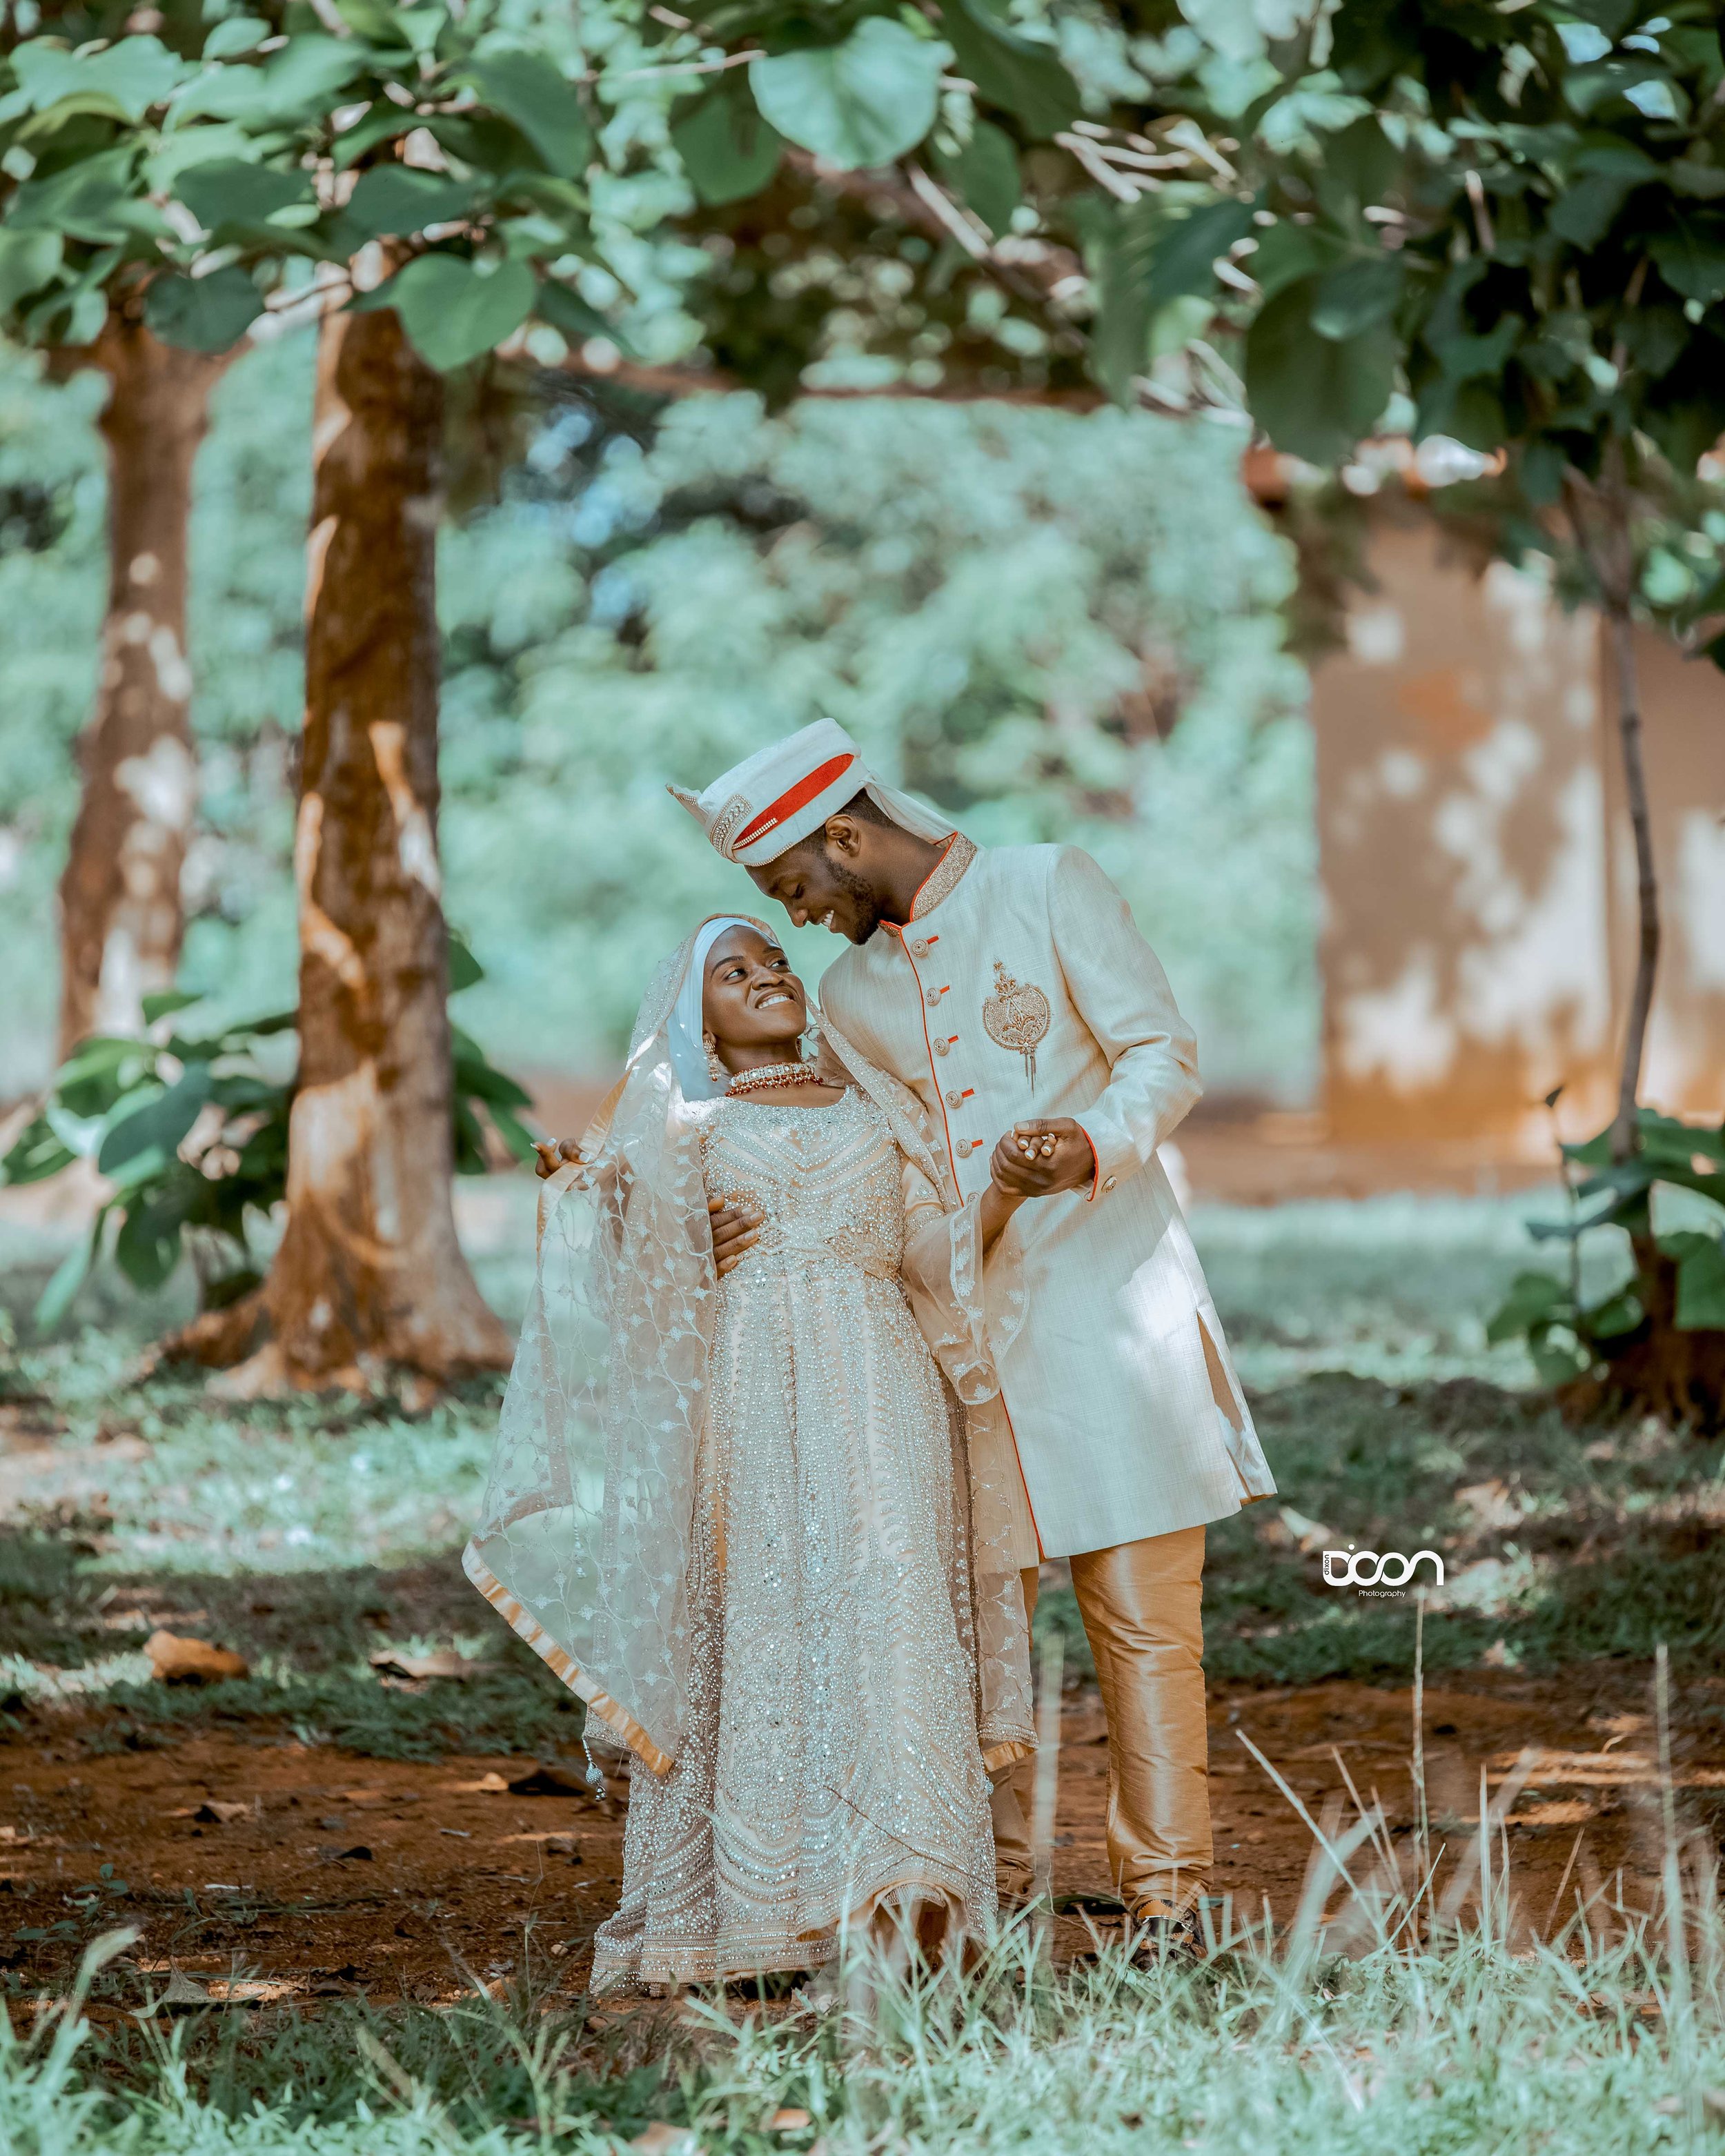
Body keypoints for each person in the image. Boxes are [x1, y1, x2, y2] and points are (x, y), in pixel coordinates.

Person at [668, 720, 1277, 1941]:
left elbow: (1163, 1051)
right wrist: (732, 1209)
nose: (797, 922)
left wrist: (1092, 1142)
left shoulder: (1045, 883)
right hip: (949, 1341)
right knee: (960, 1621)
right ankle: (982, 1892)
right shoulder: (847, 995)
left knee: (1144, 1617)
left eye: (796, 888)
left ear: (845, 835)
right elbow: (852, 1148)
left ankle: (1167, 1899)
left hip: (1113, 1310)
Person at [466, 915, 1034, 1992]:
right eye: (735, 971)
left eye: (776, 959)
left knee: (893, 1594)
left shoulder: (882, 1108)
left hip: (882, 1388)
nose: (769, 975)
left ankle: (910, 1894)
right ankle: (764, 1908)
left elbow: (926, 1250)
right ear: (698, 1020)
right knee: (765, 1611)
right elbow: (613, 1293)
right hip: (745, 1402)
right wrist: (643, 1230)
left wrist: (1000, 1188)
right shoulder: (683, 1125)